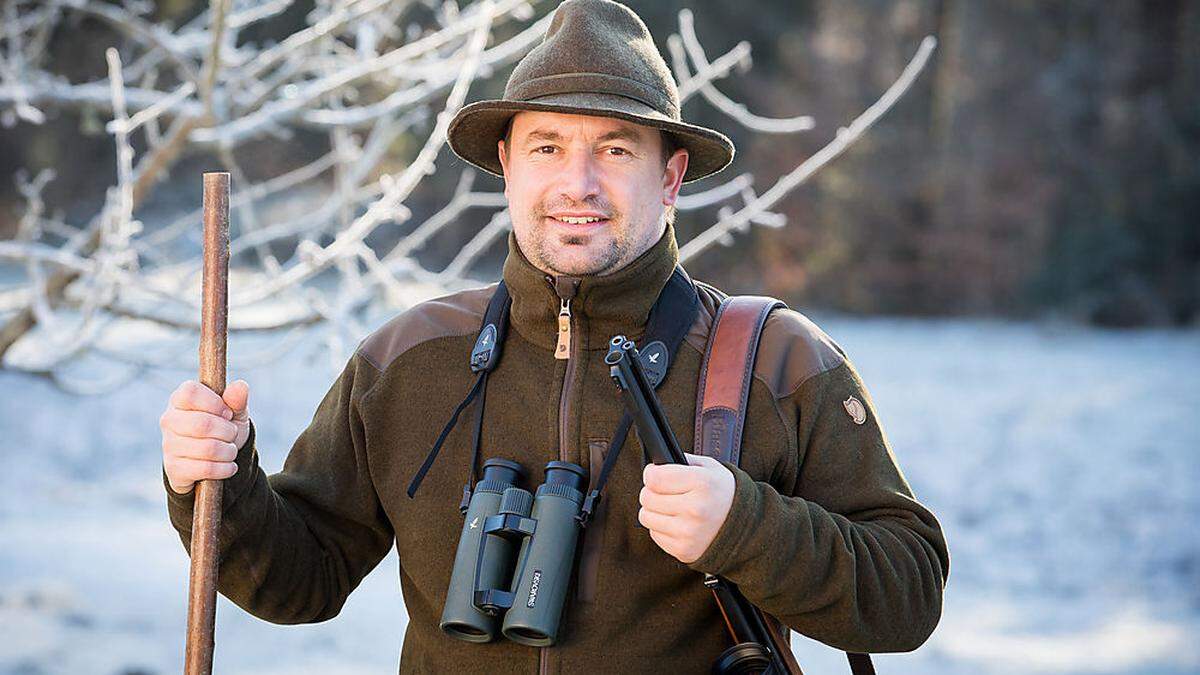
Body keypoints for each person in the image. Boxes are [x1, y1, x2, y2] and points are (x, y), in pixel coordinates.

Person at [158, 1, 949, 672]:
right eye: (548, 147)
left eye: (614, 148)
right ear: (507, 164)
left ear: (669, 177)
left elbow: (908, 595)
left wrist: (746, 526)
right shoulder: (404, 359)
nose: (578, 183)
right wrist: (216, 483)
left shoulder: (775, 360)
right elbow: (301, 580)